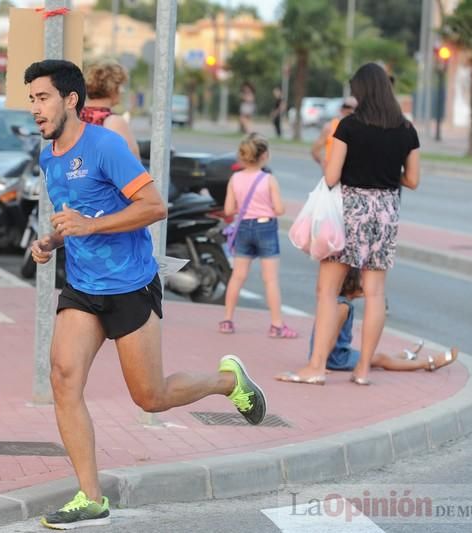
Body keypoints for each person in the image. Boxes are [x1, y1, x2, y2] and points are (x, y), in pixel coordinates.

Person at [24, 59, 268, 530]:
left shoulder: (106, 146)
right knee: (62, 378)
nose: (35, 108)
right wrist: (52, 240)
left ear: (71, 99)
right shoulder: (49, 155)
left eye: (43, 97)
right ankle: (90, 497)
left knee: (150, 398)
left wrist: (91, 226)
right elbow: (74, 216)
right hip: (82, 286)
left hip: (130, 285)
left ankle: (228, 381)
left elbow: (154, 206)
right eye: (31, 99)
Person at [277, 62, 420, 386]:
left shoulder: (348, 126)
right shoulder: (406, 129)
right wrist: (384, 172)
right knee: (375, 293)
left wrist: (357, 165)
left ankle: (316, 367)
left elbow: (331, 176)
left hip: (350, 211)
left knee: (327, 291)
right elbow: (412, 179)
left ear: (361, 91)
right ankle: (363, 370)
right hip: (385, 212)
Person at [278, 269, 458, 382]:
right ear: (351, 285)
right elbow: (330, 336)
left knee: (375, 357)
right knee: (380, 359)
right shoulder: (342, 307)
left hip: (337, 354)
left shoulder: (339, 303)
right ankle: (428, 364)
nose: (366, 285)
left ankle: (403, 356)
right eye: (362, 282)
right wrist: (321, 362)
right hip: (336, 358)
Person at [219, 133, 297, 339]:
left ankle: (227, 320)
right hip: (266, 227)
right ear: (265, 156)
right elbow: (279, 209)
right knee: (270, 279)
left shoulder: (235, 178)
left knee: (238, 276)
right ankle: (276, 325)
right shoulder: (268, 179)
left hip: (243, 227)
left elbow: (228, 209)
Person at [80, 59, 140, 158]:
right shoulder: (114, 122)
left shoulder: (74, 115)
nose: (123, 91)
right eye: (121, 86)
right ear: (113, 88)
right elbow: (134, 163)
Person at [311, 96, 357, 170]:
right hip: (332, 174)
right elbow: (315, 150)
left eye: (354, 108)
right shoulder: (330, 127)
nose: (351, 110)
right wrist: (323, 163)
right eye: (346, 107)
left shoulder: (359, 129)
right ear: (341, 108)